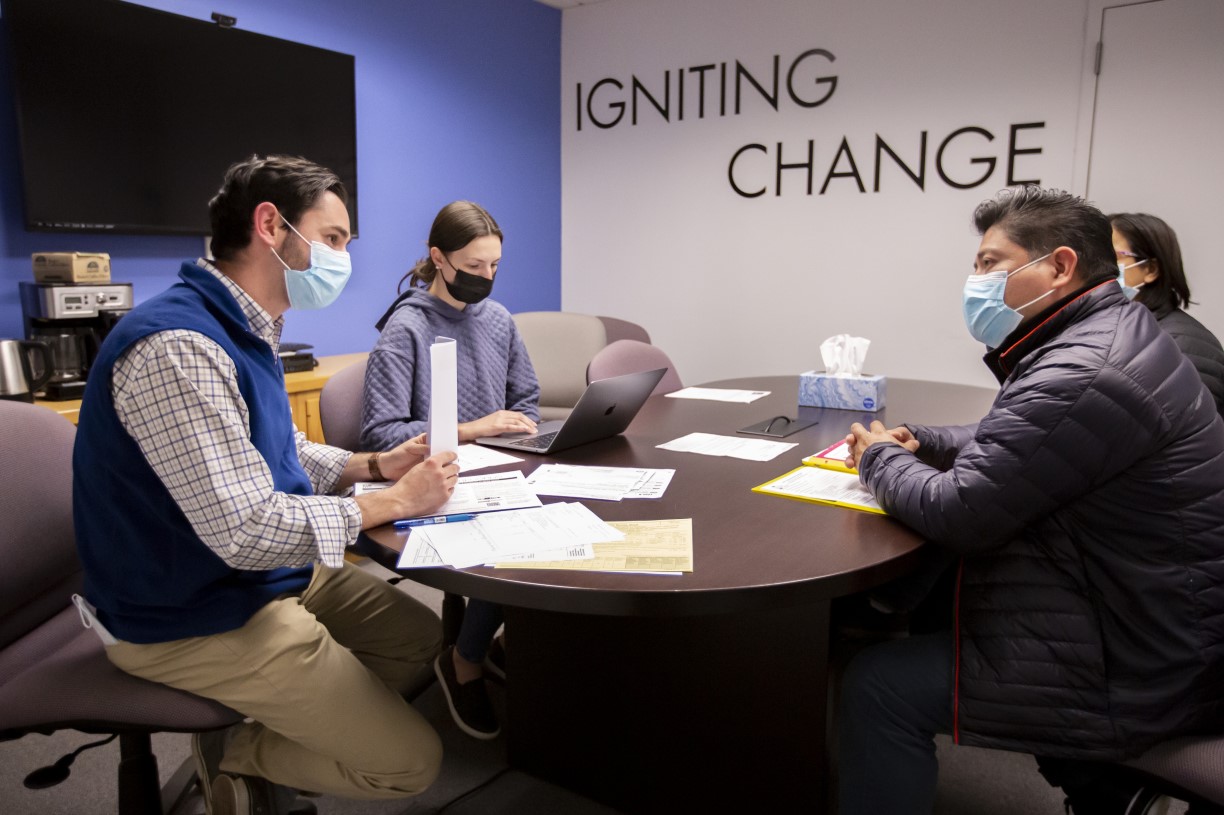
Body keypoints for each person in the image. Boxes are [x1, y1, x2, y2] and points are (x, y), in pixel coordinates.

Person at [72, 155, 461, 815]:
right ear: (270, 225)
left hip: (254, 575)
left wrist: (371, 465)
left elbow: (275, 449)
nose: (343, 258)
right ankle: (238, 757)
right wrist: (393, 503)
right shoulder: (179, 346)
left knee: (420, 644)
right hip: (186, 611)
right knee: (411, 763)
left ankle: (263, 732)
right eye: (334, 239)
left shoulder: (245, 325)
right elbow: (245, 529)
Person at [836, 187, 1224, 815]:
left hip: (1134, 656)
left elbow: (962, 513)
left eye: (990, 263)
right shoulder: (1111, 330)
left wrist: (880, 457)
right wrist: (929, 441)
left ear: (1060, 266)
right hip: (1152, 615)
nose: (975, 280)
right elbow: (1027, 435)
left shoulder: (1085, 367)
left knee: (878, 686)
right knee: (928, 598)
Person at [362, 200, 540, 740]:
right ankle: (464, 660)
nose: (485, 277)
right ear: (438, 259)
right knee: (507, 543)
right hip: (428, 481)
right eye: (473, 266)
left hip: (496, 469)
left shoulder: (499, 319)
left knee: (552, 527)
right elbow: (381, 433)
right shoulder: (407, 329)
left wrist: (516, 428)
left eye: (494, 266)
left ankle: (504, 643)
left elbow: (527, 400)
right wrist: (473, 429)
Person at [1110, 211, 1224, 414]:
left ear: (1151, 269)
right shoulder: (1117, 325)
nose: (1097, 267)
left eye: (1112, 256)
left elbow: (1187, 433)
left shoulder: (1181, 345)